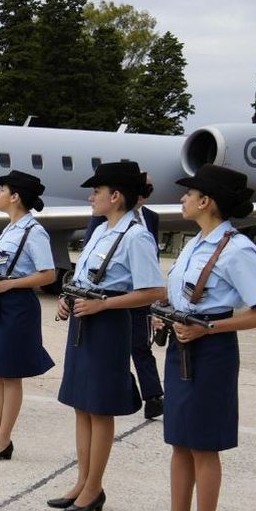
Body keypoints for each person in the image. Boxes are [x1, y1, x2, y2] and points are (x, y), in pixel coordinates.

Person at [138, 164, 256, 511]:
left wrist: (209, 328)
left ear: (207, 201)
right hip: (182, 346)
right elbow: (182, 295)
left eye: (189, 193)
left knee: (204, 447)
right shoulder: (194, 243)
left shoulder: (236, 249)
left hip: (211, 352)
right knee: (180, 442)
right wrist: (167, 313)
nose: (182, 198)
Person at [51, 161, 165, 511]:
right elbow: (87, 278)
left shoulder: (136, 236)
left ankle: (95, 487)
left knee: (99, 409)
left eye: (97, 192)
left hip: (110, 326)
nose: (91, 198)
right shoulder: (101, 231)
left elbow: (153, 291)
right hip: (85, 323)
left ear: (116, 196)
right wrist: (68, 298)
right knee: (81, 405)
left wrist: (105, 306)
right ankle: (82, 481)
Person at [0, 171, 56, 461]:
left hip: (18, 307)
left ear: (15, 196)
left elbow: (48, 274)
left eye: (2, 190)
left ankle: (4, 440)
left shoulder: (34, 231)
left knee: (11, 375)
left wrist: (9, 284)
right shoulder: (9, 230)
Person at [85, 175, 164, 419]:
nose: (143, 193)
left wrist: (153, 302)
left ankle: (152, 396)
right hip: (106, 298)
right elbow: (92, 254)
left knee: (140, 346)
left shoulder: (149, 220)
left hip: (136, 294)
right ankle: (126, 387)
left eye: (147, 189)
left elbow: (151, 262)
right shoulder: (101, 223)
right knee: (115, 353)